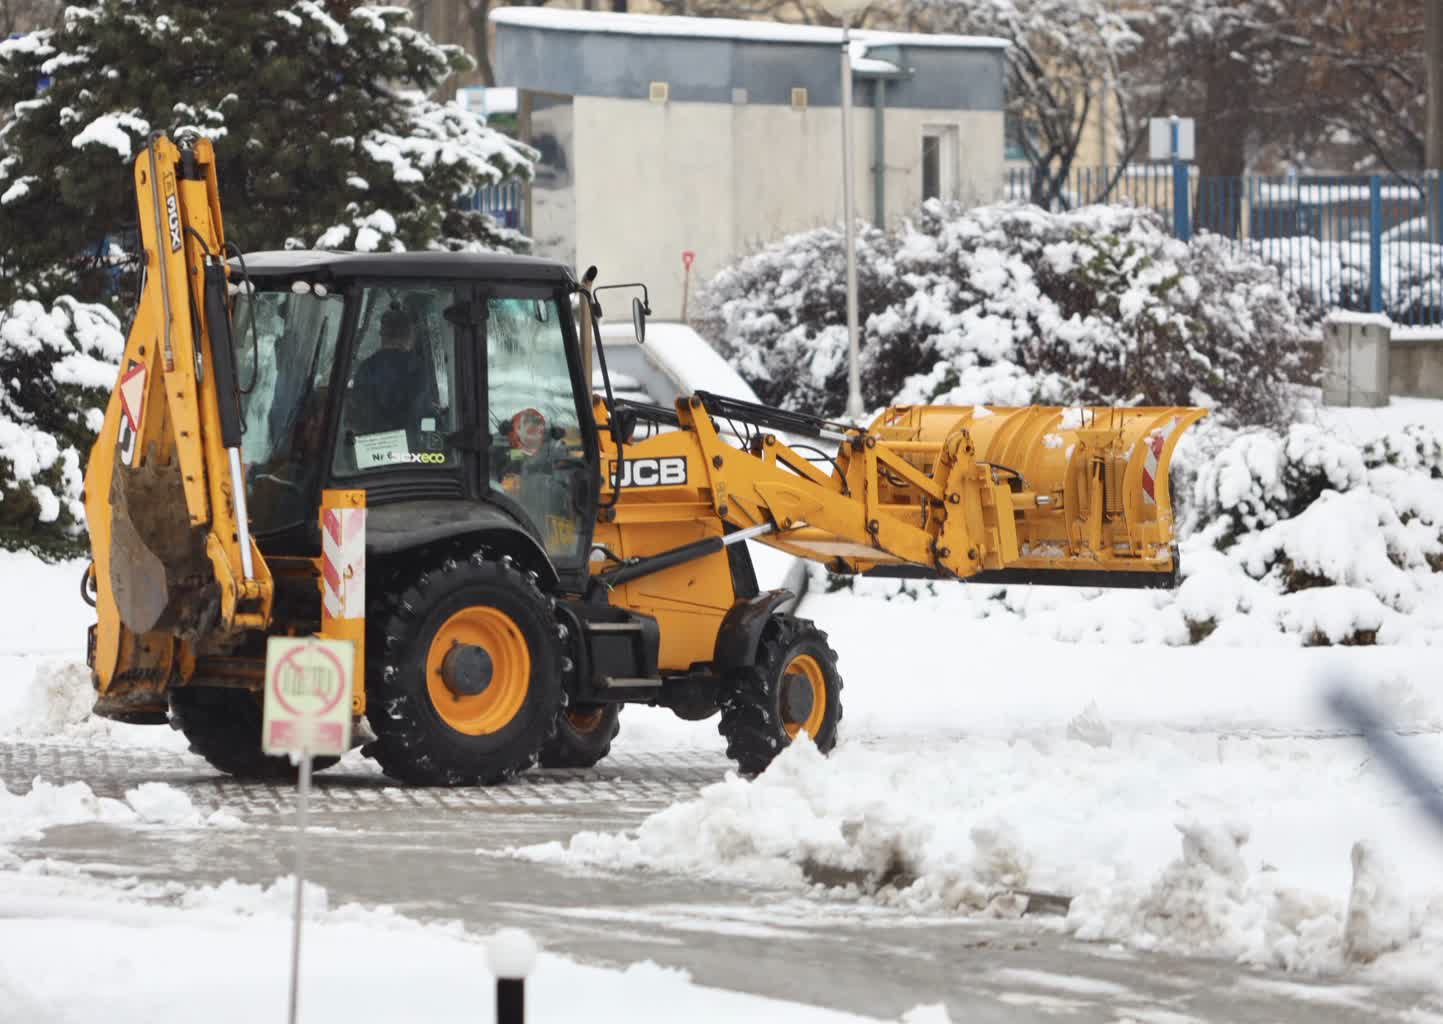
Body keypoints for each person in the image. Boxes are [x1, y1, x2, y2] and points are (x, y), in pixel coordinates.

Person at [348, 307, 431, 436]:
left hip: (372, 444)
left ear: (383, 334)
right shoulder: (419, 368)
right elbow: (424, 413)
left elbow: (357, 416)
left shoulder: (367, 367)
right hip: (412, 445)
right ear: (409, 334)